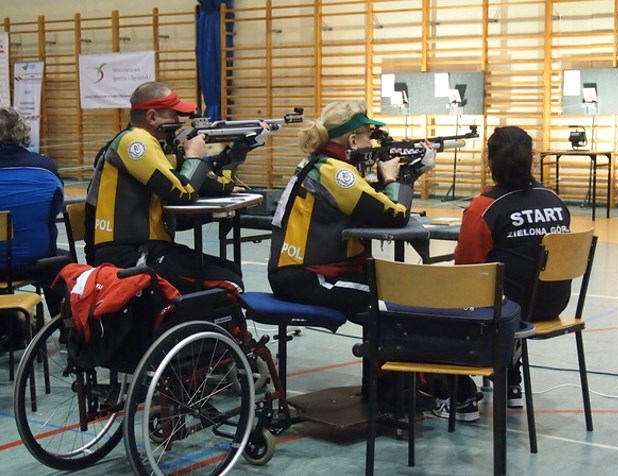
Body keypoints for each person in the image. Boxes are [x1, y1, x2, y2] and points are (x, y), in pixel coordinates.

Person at [429, 125, 571, 422]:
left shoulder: (485, 208)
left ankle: (460, 397)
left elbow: (466, 272)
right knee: (504, 292)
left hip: (508, 311)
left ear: (489, 161)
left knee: (427, 305)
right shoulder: (555, 201)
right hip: (552, 304)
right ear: (531, 159)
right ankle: (511, 384)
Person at [86, 81, 268, 296]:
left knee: (230, 270)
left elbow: (206, 181)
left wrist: (238, 151)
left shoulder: (158, 146)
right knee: (228, 281)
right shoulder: (135, 142)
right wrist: (193, 156)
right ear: (152, 117)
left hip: (148, 248)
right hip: (125, 255)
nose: (179, 123)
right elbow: (182, 192)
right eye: (173, 115)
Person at [268, 101, 424, 318]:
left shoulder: (322, 163)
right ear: (352, 140)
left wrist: (404, 174)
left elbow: (367, 203)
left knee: (396, 284)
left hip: (300, 273)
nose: (371, 142)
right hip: (309, 278)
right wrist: (396, 178)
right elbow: (395, 215)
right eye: (368, 136)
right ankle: (388, 351)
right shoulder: (337, 172)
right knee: (399, 297)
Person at [0, 106, 66, 348]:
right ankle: (66, 329)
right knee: (61, 261)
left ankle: (11, 327)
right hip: (35, 264)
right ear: (21, 132)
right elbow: (54, 210)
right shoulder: (45, 167)